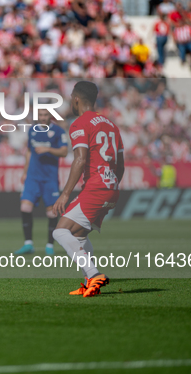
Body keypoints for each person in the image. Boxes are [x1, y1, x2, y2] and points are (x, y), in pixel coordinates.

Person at [52, 81, 125, 298]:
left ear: (76, 99)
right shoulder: (111, 125)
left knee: (60, 231)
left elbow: (80, 159)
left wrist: (65, 193)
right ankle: (89, 283)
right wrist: (111, 185)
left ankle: (94, 274)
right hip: (111, 187)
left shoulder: (79, 123)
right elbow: (120, 165)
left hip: (96, 187)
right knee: (79, 235)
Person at [15, 109, 68, 256]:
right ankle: (28, 244)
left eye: (45, 115)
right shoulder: (32, 130)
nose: (43, 118)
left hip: (49, 178)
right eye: (40, 116)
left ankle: (49, 245)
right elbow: (29, 152)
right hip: (33, 177)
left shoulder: (58, 131)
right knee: (25, 207)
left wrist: (48, 149)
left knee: (51, 213)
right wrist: (25, 171)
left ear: (50, 116)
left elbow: (64, 151)